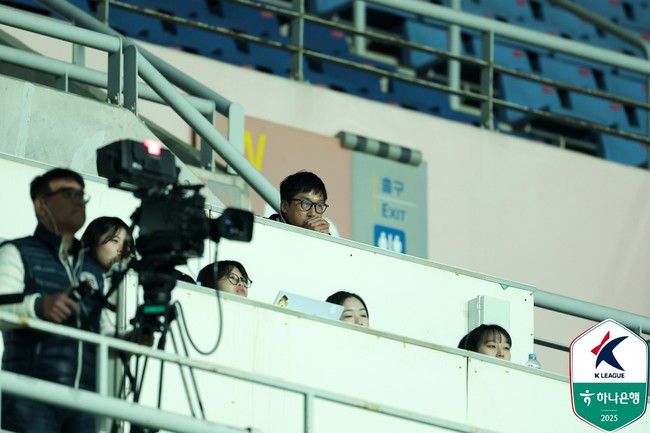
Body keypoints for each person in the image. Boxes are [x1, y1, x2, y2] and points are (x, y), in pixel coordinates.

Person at [0, 168, 104, 433]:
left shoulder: (93, 269)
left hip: (85, 402)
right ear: (41, 204)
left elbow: (103, 332)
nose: (78, 200)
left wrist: (135, 338)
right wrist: (39, 306)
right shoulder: (16, 251)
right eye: (68, 194)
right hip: (30, 394)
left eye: (81, 194)